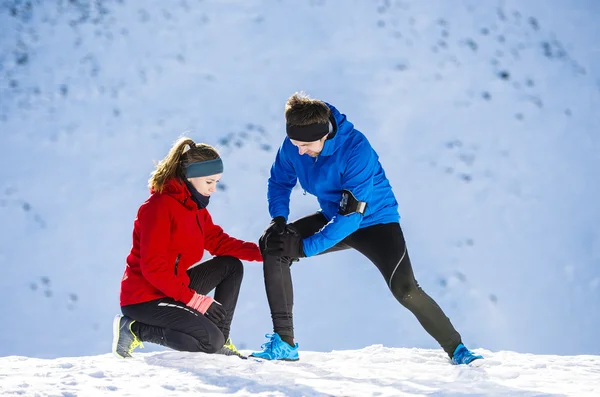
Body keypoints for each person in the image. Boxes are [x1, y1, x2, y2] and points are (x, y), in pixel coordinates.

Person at [251, 93, 483, 365]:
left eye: (306, 145)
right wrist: (278, 219)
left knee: (405, 289)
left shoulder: (356, 149)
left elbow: (351, 217)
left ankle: (457, 349)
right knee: (275, 246)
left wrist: (304, 247)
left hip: (375, 222)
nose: (300, 150)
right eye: (295, 143)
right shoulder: (295, 145)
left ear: (325, 135)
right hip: (333, 216)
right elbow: (279, 182)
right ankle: (284, 343)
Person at [112, 137, 262, 359]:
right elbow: (153, 268)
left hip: (172, 288)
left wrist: (265, 253)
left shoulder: (195, 207)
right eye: (209, 182)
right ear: (190, 177)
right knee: (208, 341)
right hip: (145, 299)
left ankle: (221, 339)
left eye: (216, 183)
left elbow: (218, 242)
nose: (213, 189)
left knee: (231, 266)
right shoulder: (158, 207)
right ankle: (135, 328)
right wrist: (196, 301)